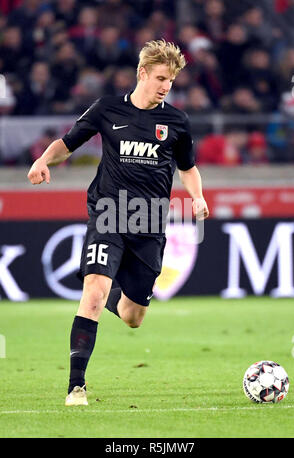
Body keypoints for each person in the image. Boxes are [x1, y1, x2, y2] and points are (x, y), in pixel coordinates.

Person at [27, 39, 209, 406]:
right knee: (91, 292)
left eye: (170, 82)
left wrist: (198, 196)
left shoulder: (176, 121)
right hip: (108, 214)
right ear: (142, 73)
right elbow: (68, 142)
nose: (164, 87)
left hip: (150, 223)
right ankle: (76, 386)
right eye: (160, 78)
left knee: (132, 316)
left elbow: (188, 167)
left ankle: (114, 294)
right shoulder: (107, 109)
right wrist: (44, 160)